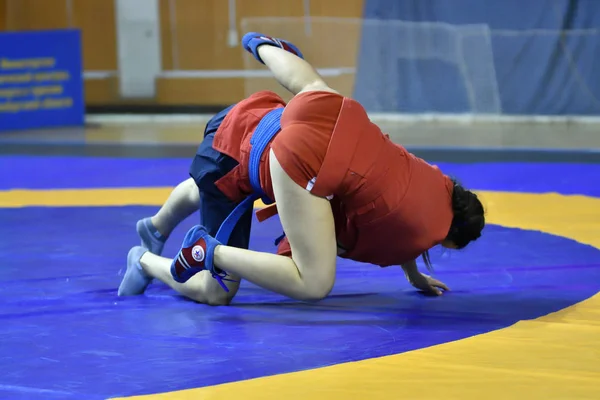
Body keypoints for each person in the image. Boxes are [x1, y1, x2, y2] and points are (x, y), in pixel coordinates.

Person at [118, 32, 485, 305]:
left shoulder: (434, 182)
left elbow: (405, 226)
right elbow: (379, 238)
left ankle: (265, 47)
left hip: (294, 118)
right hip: (248, 160)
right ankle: (160, 258)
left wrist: (413, 272)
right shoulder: (426, 228)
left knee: (312, 87)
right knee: (262, 286)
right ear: (448, 236)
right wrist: (409, 271)